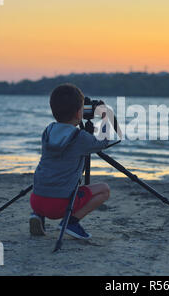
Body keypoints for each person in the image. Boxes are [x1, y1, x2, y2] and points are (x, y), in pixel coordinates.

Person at [29, 83, 110, 240]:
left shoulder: (48, 130)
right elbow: (103, 142)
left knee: (51, 178)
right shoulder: (80, 138)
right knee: (104, 189)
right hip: (59, 206)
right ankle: (71, 222)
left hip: (36, 199)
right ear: (79, 112)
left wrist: (85, 134)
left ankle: (37, 215)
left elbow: (67, 142)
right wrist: (106, 117)